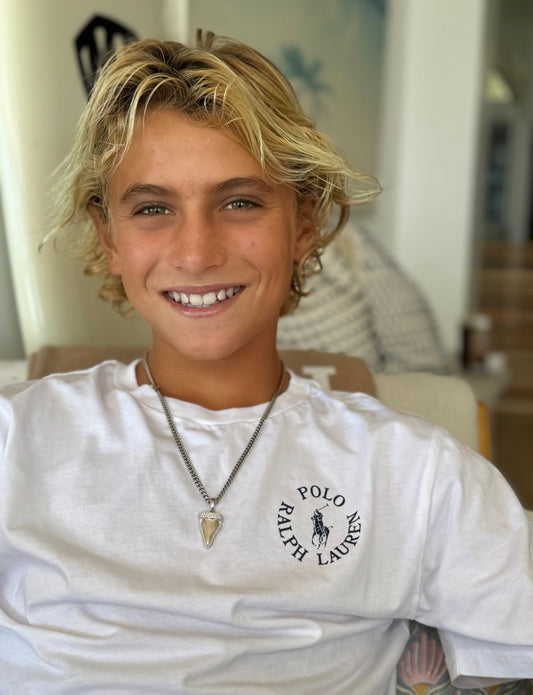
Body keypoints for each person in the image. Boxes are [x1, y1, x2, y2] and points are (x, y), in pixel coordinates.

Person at [0, 31, 531, 695]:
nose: (196, 253)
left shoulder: (416, 472)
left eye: (239, 202)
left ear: (303, 222)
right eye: (153, 208)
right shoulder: (15, 440)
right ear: (108, 235)